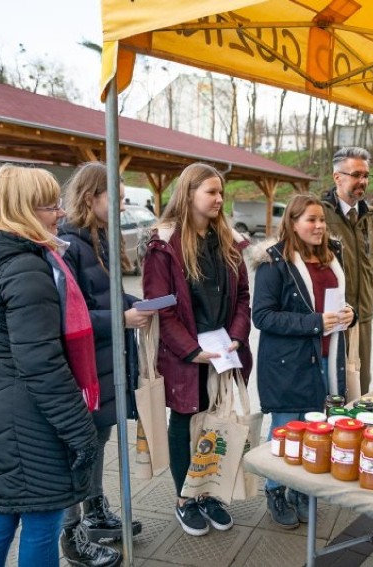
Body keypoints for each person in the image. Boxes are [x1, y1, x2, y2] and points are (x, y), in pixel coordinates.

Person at [0, 165, 99, 566]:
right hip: (28, 415)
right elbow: (41, 364)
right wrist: (79, 430)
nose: (60, 214)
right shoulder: (25, 268)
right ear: (21, 210)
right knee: (42, 522)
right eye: (50, 206)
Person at [142, 163, 253, 538]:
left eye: (221, 192)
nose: (219, 199)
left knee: (216, 423)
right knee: (185, 422)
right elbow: (161, 306)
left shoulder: (229, 241)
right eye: (210, 191)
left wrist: (237, 336)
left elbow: (242, 298)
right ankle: (185, 499)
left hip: (224, 350)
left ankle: (209, 493)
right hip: (187, 355)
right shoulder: (164, 244)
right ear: (188, 193)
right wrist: (192, 351)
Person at [59, 162, 154, 564]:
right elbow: (71, 316)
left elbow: (106, 298)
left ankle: (95, 512)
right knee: (79, 452)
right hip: (86, 370)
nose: (120, 203)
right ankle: (72, 530)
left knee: (98, 444)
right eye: (112, 195)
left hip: (106, 364)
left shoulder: (99, 239)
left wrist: (135, 306)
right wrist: (122, 318)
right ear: (89, 197)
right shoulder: (70, 245)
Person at [251, 194, 356, 528]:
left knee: (315, 429)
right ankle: (275, 489)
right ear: (293, 223)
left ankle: (301, 490)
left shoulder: (331, 256)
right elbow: (263, 316)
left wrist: (349, 314)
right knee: (284, 431)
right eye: (311, 219)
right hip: (287, 363)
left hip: (327, 357)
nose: (320, 226)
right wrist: (314, 322)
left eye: (322, 220)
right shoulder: (274, 262)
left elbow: (334, 300)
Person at [322, 147, 373, 395]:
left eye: (366, 175)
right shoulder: (321, 215)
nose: (363, 181)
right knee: (333, 387)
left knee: (361, 384)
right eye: (356, 174)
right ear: (338, 177)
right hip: (333, 320)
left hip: (364, 317)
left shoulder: (371, 217)